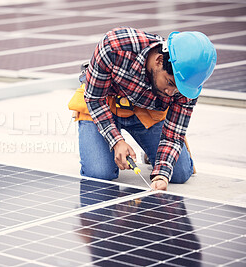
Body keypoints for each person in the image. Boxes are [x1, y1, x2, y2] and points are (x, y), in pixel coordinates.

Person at [68, 27, 217, 190]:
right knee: (99, 173)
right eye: (170, 83)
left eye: (178, 90)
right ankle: (138, 147)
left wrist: (162, 174)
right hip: (104, 104)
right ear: (159, 60)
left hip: (146, 111)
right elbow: (95, 99)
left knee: (178, 174)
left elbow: (174, 134)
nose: (171, 93)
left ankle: (152, 151)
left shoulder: (189, 84)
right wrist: (116, 141)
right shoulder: (114, 46)